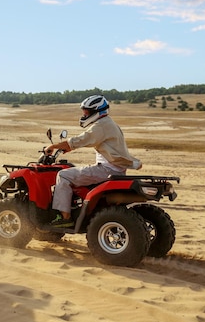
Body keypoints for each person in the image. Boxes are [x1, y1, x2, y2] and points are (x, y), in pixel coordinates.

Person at [44, 95, 142, 228]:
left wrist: (54, 146)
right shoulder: (109, 123)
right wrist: (67, 148)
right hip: (116, 169)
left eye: (87, 112)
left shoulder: (101, 125)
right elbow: (90, 141)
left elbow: (81, 139)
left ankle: (65, 218)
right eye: (84, 111)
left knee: (63, 175)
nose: (85, 114)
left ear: (98, 111)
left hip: (106, 170)